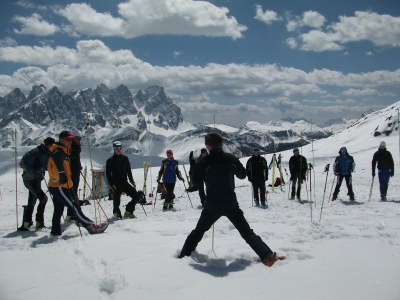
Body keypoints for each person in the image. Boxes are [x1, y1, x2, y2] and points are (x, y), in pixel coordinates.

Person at [178, 132, 286, 267]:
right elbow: (242, 175)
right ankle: (268, 256)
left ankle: (183, 256)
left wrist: (194, 165)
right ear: (221, 144)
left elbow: (194, 181)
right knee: (247, 233)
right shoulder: (229, 158)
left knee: (198, 232)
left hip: (212, 204)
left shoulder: (204, 161)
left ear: (207, 146)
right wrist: (233, 164)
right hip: (230, 203)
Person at [47, 131, 108, 236]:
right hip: (59, 186)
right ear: (61, 139)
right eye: (68, 139)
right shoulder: (58, 151)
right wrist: (61, 177)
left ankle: (55, 231)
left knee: (58, 209)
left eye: (71, 139)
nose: (70, 141)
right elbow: (56, 167)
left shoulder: (63, 150)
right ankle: (90, 226)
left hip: (62, 185)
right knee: (74, 206)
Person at [18, 137, 55, 230]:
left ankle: (27, 223)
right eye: (52, 145)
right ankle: (39, 223)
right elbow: (22, 164)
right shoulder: (37, 152)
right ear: (47, 145)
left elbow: (46, 166)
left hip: (35, 179)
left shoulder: (46, 152)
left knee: (32, 200)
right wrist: (35, 170)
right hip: (30, 179)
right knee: (43, 199)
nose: (53, 147)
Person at [106, 141, 141, 219]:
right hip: (116, 183)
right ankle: (116, 213)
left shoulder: (125, 158)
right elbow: (108, 174)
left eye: (120, 148)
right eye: (117, 148)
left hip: (125, 182)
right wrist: (112, 185)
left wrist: (132, 181)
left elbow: (129, 171)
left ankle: (129, 211)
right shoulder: (110, 160)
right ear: (114, 149)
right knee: (116, 199)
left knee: (136, 196)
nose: (119, 150)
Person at [65, 128, 83, 222]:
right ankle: (71, 214)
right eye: (77, 138)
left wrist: (79, 165)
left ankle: (70, 215)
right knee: (72, 194)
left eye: (80, 138)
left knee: (73, 193)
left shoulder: (76, 146)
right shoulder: (70, 146)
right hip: (71, 172)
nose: (79, 140)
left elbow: (77, 158)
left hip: (75, 171)